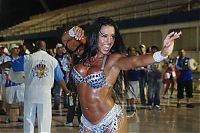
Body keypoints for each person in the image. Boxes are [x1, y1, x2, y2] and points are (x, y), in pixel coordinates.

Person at [69, 17, 181, 132]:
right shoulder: (83, 53)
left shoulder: (113, 59)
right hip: (87, 123)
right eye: (104, 36)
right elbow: (65, 39)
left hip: (110, 120)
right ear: (94, 36)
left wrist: (162, 54)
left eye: (112, 36)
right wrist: (72, 31)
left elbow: (136, 61)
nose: (109, 41)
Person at [0, 40, 71, 133]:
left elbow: (11, 64)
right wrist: (66, 90)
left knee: (29, 118)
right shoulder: (53, 60)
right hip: (45, 94)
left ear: (35, 48)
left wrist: (1, 66)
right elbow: (60, 78)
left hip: (30, 93)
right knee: (44, 119)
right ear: (45, 48)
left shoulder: (28, 58)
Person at [4, 44, 25, 123]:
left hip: (20, 83)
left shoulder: (21, 58)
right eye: (15, 49)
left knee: (21, 100)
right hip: (10, 83)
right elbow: (5, 69)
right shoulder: (6, 58)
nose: (17, 50)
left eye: (18, 49)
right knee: (9, 100)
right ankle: (7, 116)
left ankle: (21, 116)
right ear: (11, 50)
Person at [52, 43, 70, 110]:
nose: (61, 49)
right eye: (59, 48)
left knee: (66, 90)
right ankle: (56, 105)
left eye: (62, 47)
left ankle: (66, 104)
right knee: (57, 91)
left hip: (66, 76)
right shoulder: (54, 57)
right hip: (58, 77)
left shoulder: (66, 56)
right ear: (56, 49)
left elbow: (69, 65)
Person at [146, 46, 163, 110]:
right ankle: (150, 104)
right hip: (151, 77)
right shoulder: (148, 58)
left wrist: (162, 70)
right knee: (150, 91)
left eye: (155, 50)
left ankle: (157, 104)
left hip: (158, 77)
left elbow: (164, 66)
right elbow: (146, 67)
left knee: (157, 92)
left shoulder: (161, 58)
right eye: (152, 50)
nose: (153, 51)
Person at [125, 47, 140, 112]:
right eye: (131, 51)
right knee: (128, 93)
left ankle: (132, 104)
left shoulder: (137, 59)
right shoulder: (126, 59)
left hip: (136, 78)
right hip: (129, 78)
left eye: (134, 50)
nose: (133, 52)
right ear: (128, 52)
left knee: (135, 92)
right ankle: (128, 105)